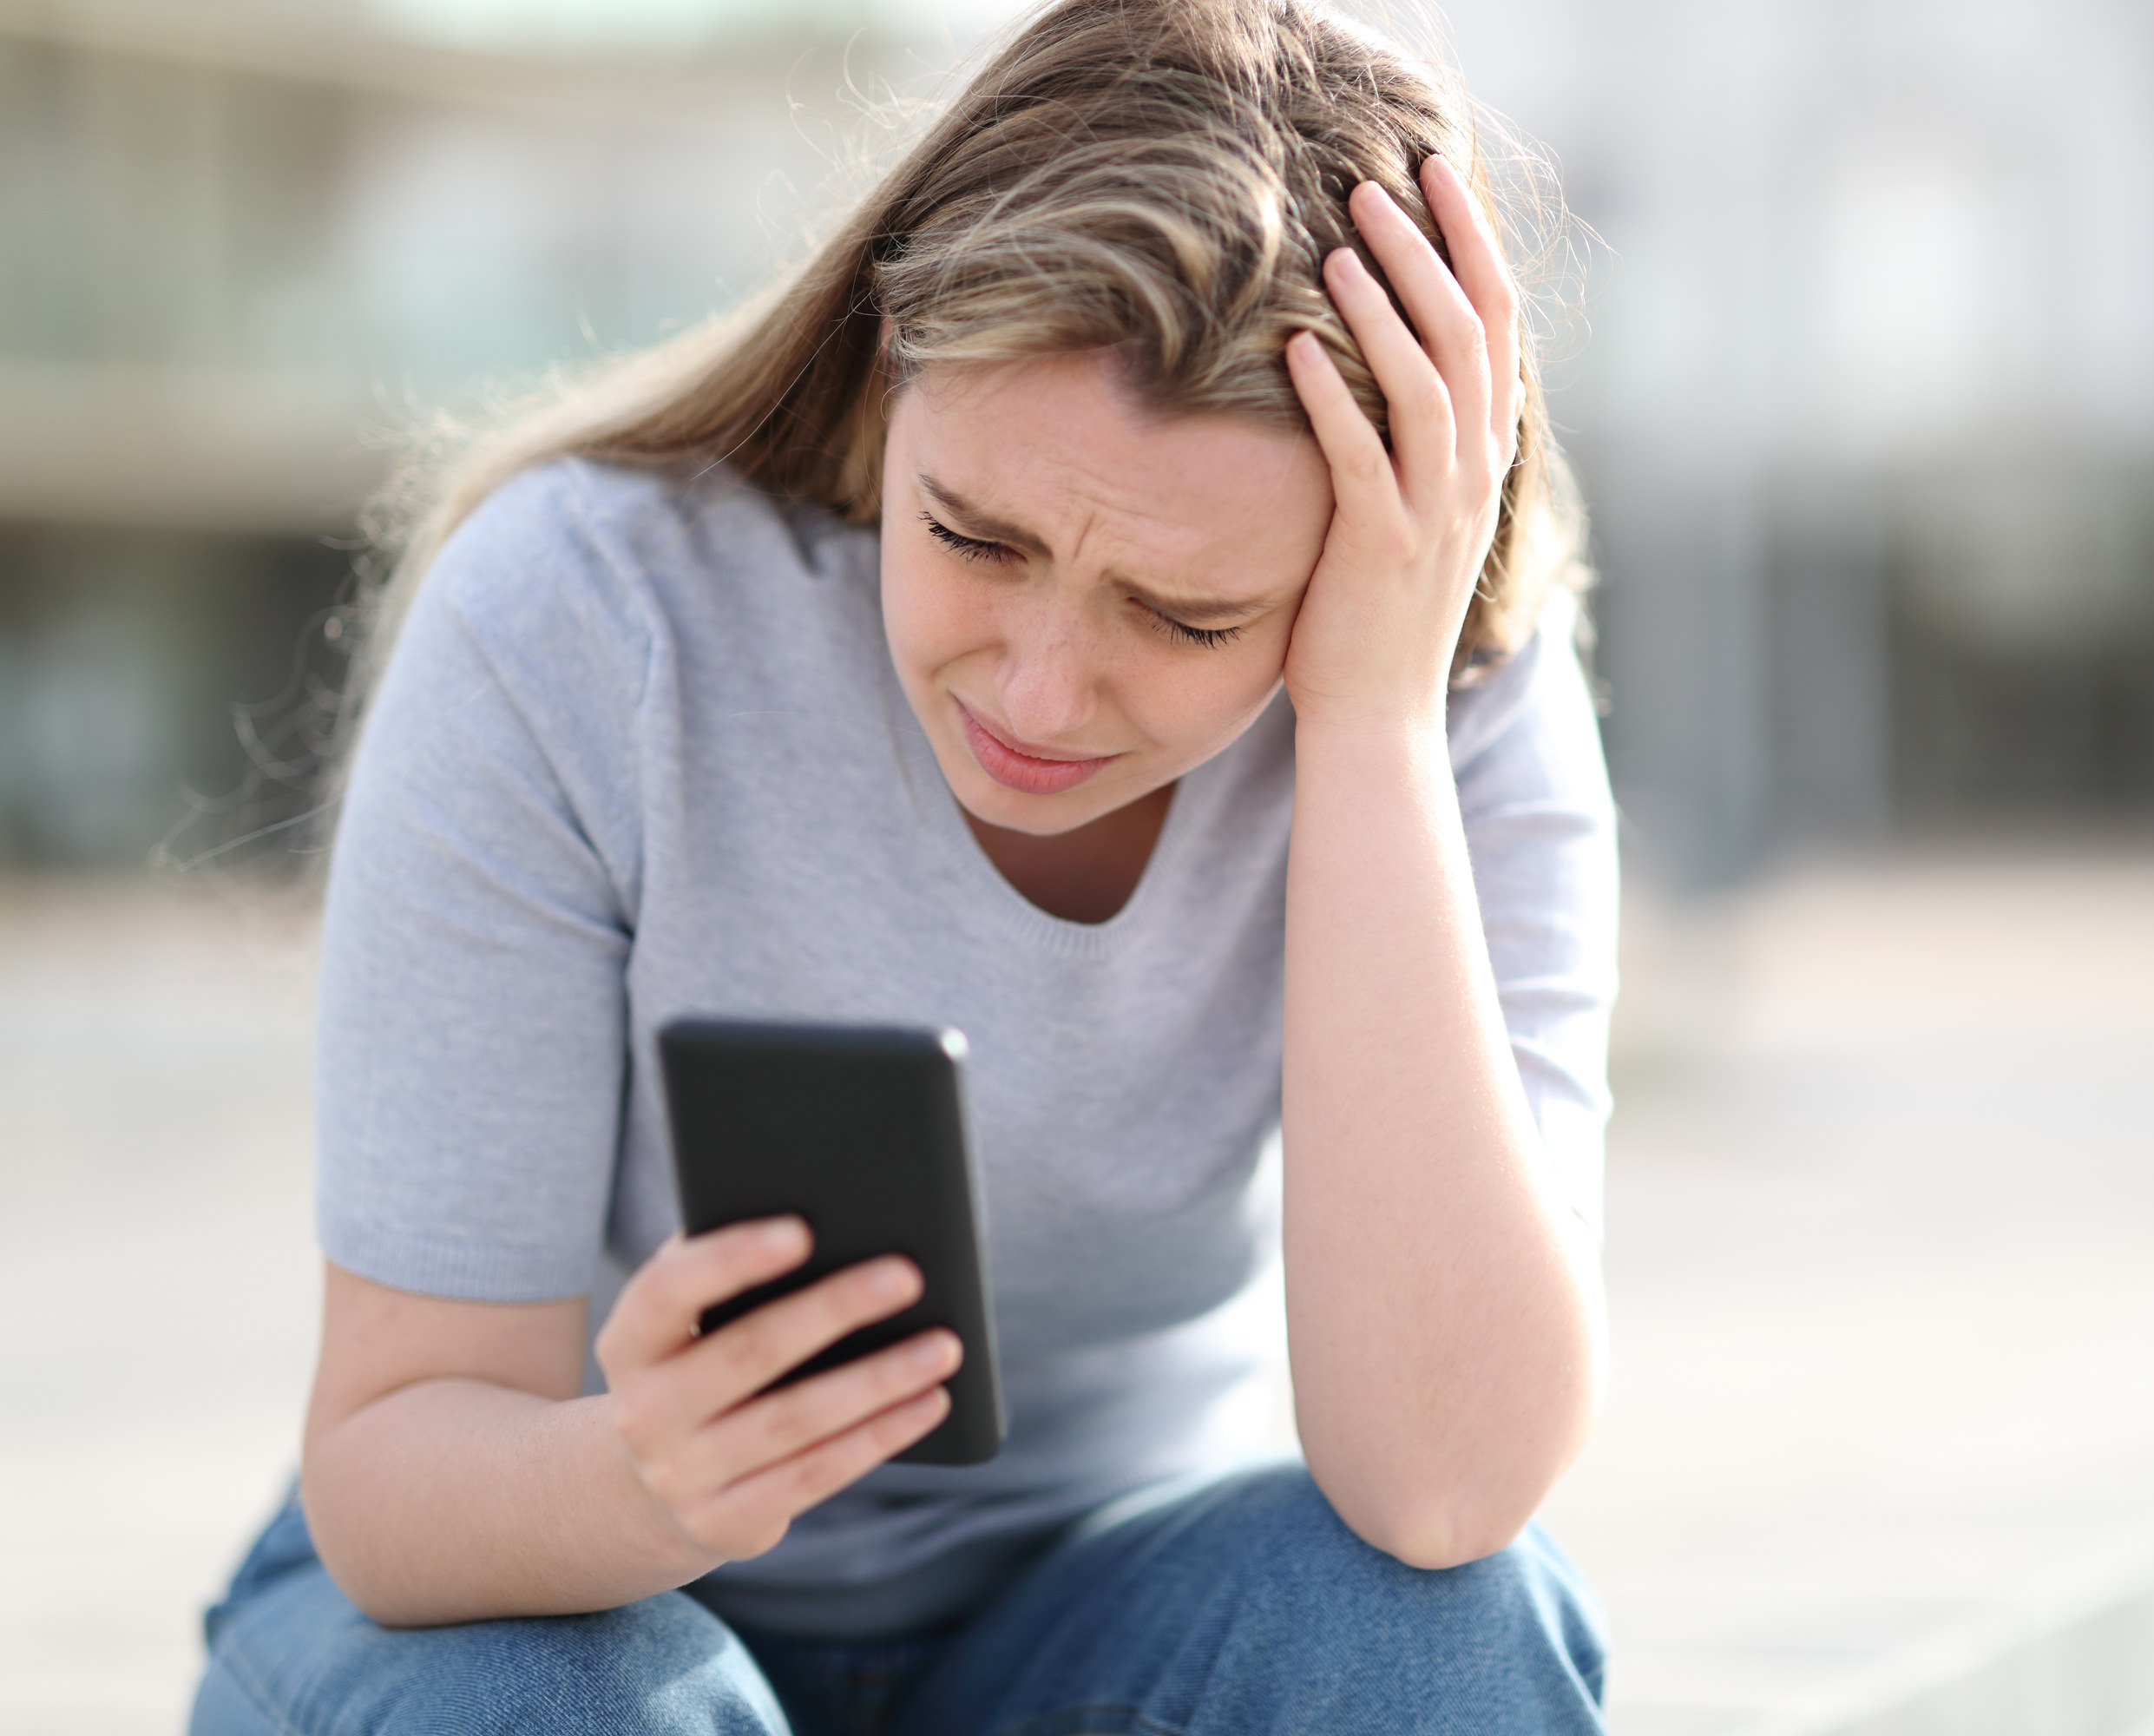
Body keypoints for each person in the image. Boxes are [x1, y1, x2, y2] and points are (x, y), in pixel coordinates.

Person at [189, 0, 1617, 1729]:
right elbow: (391, 1472)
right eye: (974, 536)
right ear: (886, 380)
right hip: (540, 1591)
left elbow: (1446, 1492)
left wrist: (1371, 724)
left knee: (1435, 1636)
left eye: (1188, 614)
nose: (1035, 691)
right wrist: (636, 1482)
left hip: (1090, 1614)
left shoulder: (1438, 683)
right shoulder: (583, 614)